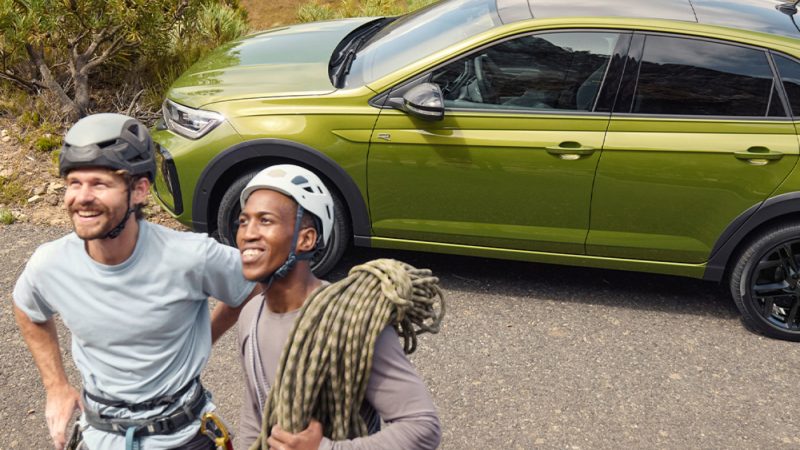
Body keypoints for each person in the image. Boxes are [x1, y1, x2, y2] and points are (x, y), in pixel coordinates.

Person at [13, 113, 257, 450]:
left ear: (139, 189)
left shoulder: (191, 256)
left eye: (100, 183)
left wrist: (206, 334)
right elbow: (27, 308)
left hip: (185, 437)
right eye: (74, 182)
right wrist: (55, 385)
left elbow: (253, 286)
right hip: (99, 437)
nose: (81, 196)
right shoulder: (51, 263)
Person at [229, 165, 442, 449]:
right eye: (244, 221)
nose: (248, 233)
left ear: (306, 239)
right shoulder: (250, 314)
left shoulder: (354, 320)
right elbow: (256, 412)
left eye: (265, 221)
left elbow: (423, 428)